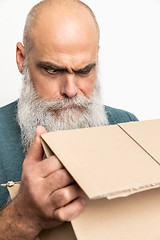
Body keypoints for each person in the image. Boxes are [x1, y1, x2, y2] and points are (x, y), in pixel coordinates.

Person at [0, 0, 138, 239]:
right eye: (52, 70)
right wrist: (23, 215)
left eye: (85, 70)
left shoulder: (127, 126)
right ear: (22, 59)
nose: (71, 90)